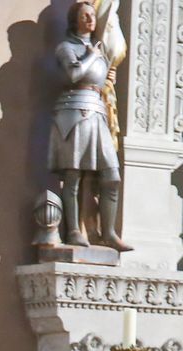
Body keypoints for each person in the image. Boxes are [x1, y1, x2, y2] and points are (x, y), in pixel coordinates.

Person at [51, 1, 130, 251]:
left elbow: (99, 78)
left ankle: (108, 232)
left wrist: (105, 70)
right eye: (85, 16)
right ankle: (74, 230)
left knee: (112, 175)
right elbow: (74, 74)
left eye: (92, 16)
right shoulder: (66, 47)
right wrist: (92, 57)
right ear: (75, 20)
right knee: (73, 175)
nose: (90, 20)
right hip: (73, 110)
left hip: (97, 112)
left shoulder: (97, 49)